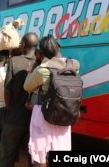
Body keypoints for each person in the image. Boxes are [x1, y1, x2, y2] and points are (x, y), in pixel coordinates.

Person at [23, 35, 80, 167]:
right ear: (58, 47)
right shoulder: (75, 65)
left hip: (44, 115)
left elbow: (27, 87)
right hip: (65, 114)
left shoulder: (43, 69)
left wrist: (31, 72)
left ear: (43, 53)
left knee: (40, 156)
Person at [0, 32, 39, 167]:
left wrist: (10, 109)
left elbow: (7, 90)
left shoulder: (14, 61)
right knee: (33, 157)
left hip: (14, 116)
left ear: (24, 45)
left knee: (5, 156)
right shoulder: (41, 64)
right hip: (34, 119)